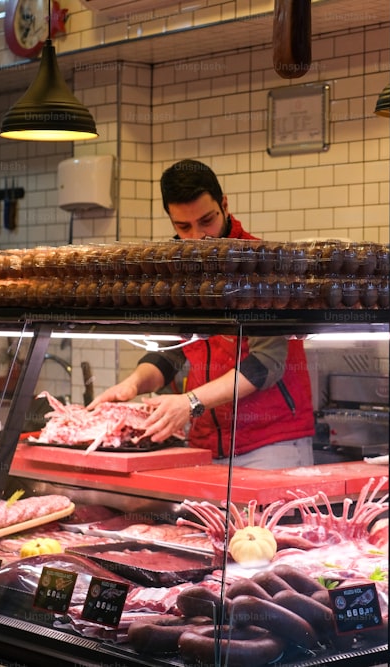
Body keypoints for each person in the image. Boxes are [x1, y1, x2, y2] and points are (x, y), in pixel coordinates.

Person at [88, 159, 315, 469]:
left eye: (207, 220)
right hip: (204, 444)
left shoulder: (263, 266)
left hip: (271, 443)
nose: (198, 236)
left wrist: (190, 402)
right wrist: (133, 384)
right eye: (183, 227)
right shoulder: (178, 272)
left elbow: (266, 364)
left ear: (224, 205)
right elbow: (172, 353)